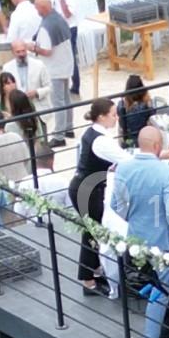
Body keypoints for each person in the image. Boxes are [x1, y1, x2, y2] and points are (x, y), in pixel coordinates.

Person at [112, 127, 169, 338]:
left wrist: (134, 219)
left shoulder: (123, 168)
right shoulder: (165, 172)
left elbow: (117, 205)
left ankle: (162, 326)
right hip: (161, 241)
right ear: (157, 146)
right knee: (161, 290)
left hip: (136, 237)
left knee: (154, 285)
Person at [69, 98, 132, 296]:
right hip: (88, 190)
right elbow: (127, 159)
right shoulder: (102, 141)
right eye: (113, 114)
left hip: (85, 187)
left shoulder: (92, 134)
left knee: (92, 230)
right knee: (93, 232)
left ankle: (94, 272)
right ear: (102, 117)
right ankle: (88, 280)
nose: (116, 118)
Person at [29, 0, 76, 144]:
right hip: (66, 63)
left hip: (54, 68)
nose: (35, 9)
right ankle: (69, 128)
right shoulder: (59, 18)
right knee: (66, 98)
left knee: (58, 102)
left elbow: (47, 51)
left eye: (36, 7)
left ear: (42, 8)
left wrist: (32, 48)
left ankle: (59, 136)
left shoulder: (46, 26)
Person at [0, 92, 45, 181]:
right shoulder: (34, 118)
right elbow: (40, 138)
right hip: (35, 158)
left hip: (20, 163)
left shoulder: (10, 126)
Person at [42, 0, 81, 95]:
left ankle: (76, 85)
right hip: (56, 26)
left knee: (70, 56)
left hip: (69, 27)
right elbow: (49, 8)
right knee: (57, 55)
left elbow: (68, 14)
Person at [0, 40, 50, 117]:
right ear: (12, 52)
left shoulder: (39, 65)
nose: (21, 54)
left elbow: (49, 87)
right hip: (16, 109)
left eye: (23, 51)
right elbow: (2, 90)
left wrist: (36, 92)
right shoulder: (7, 67)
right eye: (18, 52)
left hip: (38, 107)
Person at [117, 74, 155, 147]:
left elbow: (121, 124)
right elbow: (153, 117)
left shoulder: (121, 105)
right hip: (144, 139)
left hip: (128, 140)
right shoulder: (146, 105)